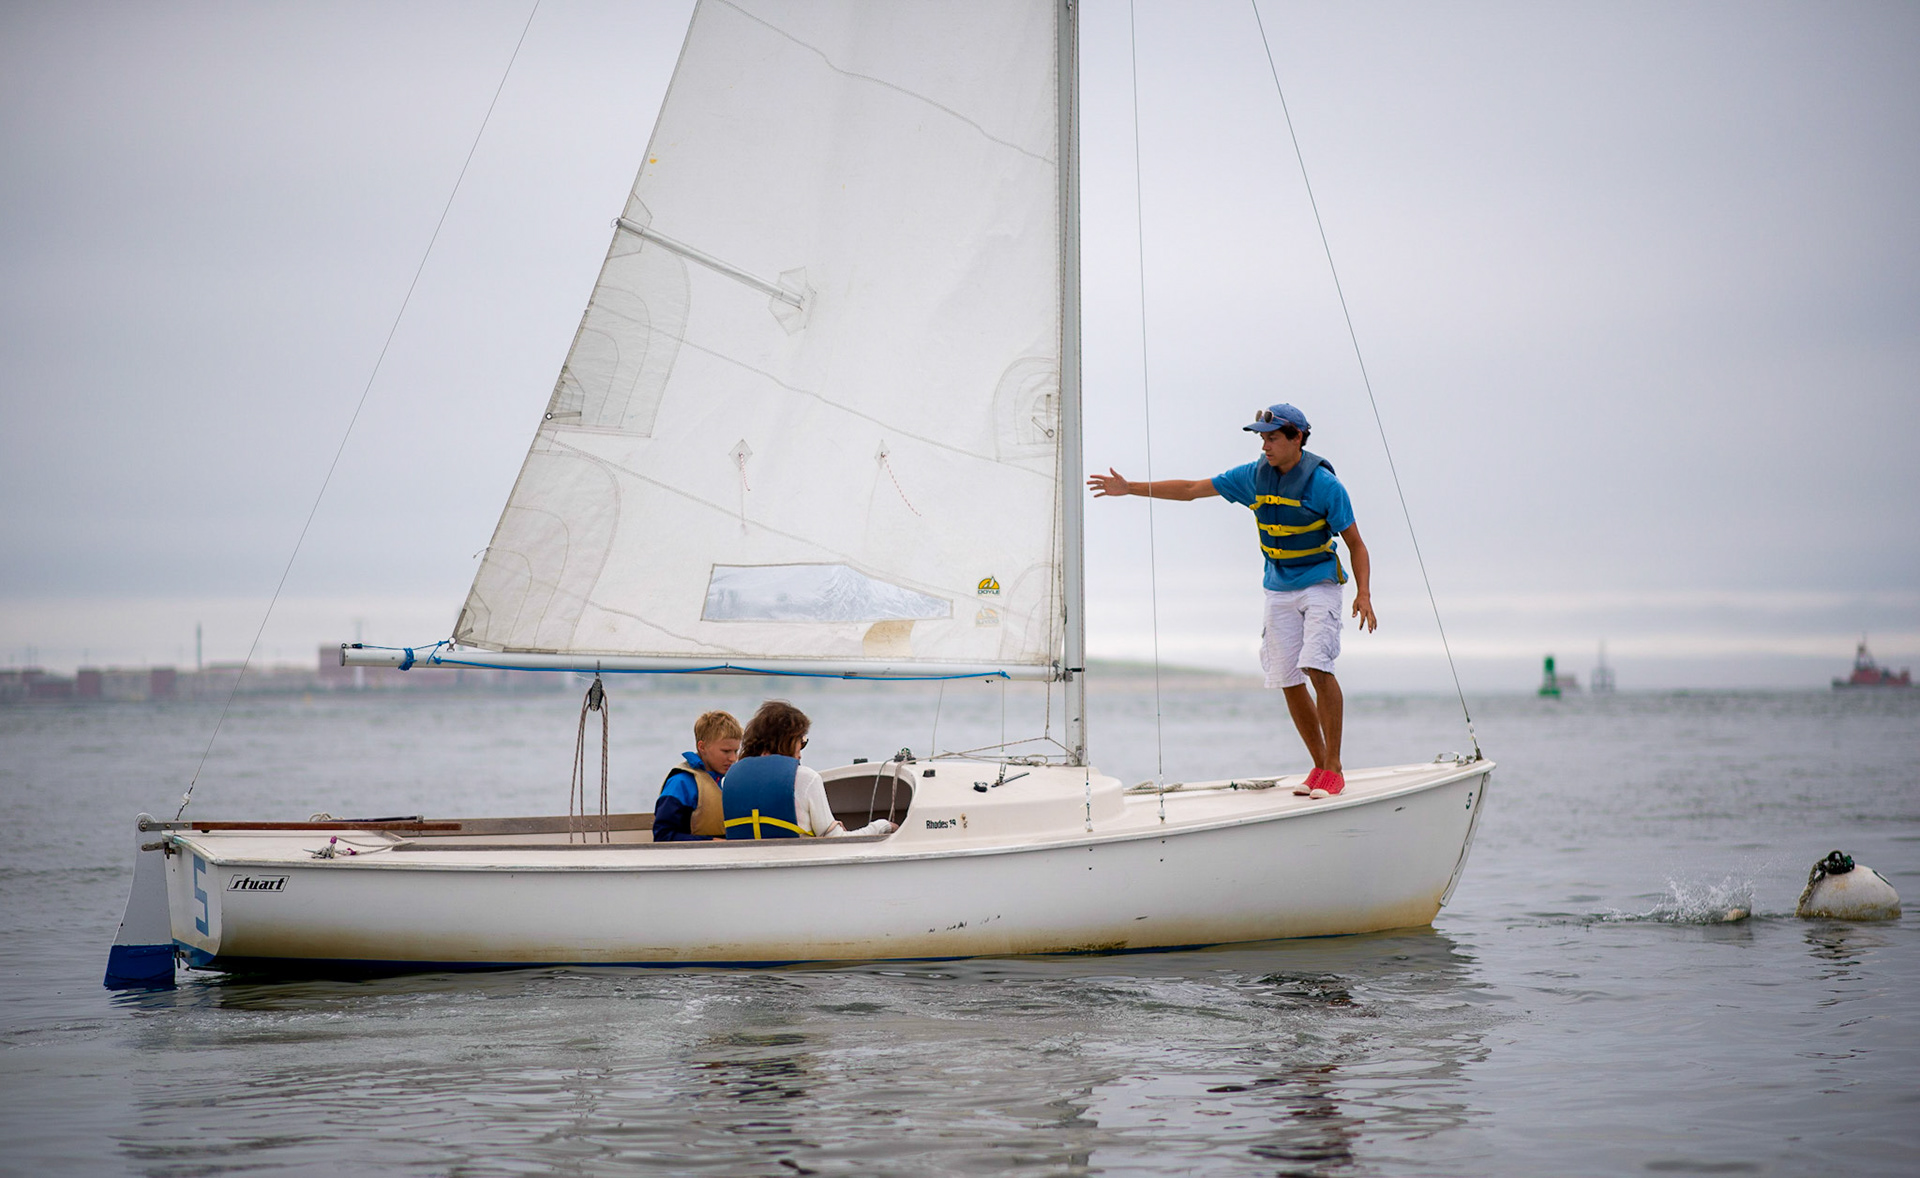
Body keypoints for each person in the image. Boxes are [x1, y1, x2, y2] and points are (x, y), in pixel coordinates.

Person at [1088, 402, 1375, 797]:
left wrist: (1364, 593)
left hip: (1319, 583)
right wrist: (1131, 488)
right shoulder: (1252, 477)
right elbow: (1191, 491)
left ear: (1298, 438)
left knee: (1317, 665)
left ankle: (1335, 768)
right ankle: (1318, 763)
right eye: (1261, 438)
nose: (1264, 446)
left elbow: (1357, 544)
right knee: (1286, 676)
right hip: (1278, 585)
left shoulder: (1325, 486)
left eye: (1272, 438)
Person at [721, 700, 895, 838]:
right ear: (787, 741)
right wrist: (881, 826)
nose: (800, 753)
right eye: (801, 741)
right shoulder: (806, 779)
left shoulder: (729, 778)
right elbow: (837, 841)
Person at [652, 710, 742, 841]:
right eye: (726, 751)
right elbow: (662, 836)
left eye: (736, 751)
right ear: (702, 747)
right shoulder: (680, 783)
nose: (733, 758)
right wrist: (709, 842)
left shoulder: (731, 782)